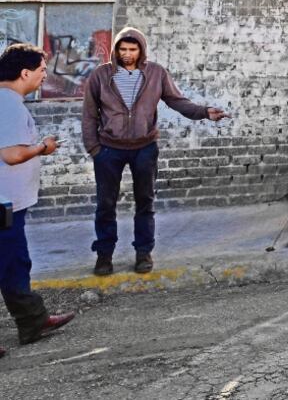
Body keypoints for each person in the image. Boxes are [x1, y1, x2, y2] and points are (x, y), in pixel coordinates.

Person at [82, 27, 229, 276]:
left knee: (145, 202)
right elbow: (89, 114)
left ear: (141, 49)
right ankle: (104, 255)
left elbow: (177, 101)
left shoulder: (156, 73)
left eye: (133, 49)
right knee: (105, 204)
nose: (127, 54)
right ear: (116, 49)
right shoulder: (100, 75)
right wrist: (94, 148)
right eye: (123, 49)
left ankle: (143, 253)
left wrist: (204, 112)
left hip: (145, 148)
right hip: (109, 149)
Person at [0, 44, 75, 351]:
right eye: (43, 70)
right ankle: (32, 319)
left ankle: (32, 320)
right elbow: (12, 154)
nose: (46, 76)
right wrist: (44, 147)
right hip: (3, 205)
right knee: (9, 263)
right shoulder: (9, 106)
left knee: (16, 264)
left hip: (10, 205)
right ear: (25, 72)